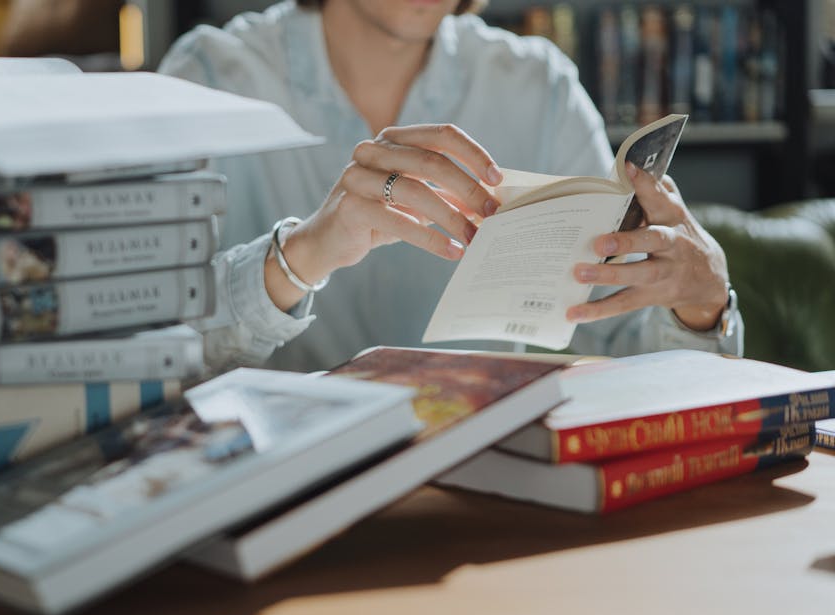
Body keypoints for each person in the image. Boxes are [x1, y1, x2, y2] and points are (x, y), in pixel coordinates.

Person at [159, 0, 742, 373]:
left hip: (491, 500)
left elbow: (619, 346)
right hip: (272, 495)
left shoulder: (542, 91)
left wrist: (702, 311)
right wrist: (300, 254)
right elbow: (145, 351)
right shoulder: (209, 79)